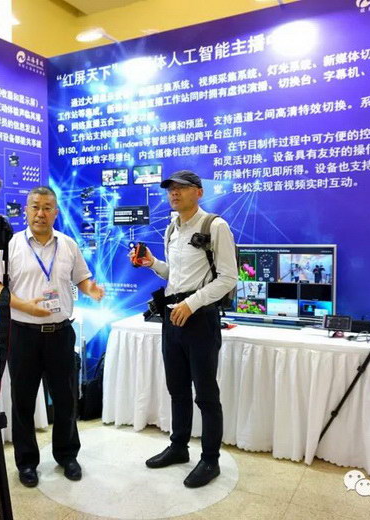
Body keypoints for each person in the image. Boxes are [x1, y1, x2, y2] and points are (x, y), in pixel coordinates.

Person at [0, 186, 105, 488]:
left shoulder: (67, 244)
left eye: (47, 207)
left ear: (56, 212)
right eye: (35, 207)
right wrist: (24, 306)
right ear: (26, 210)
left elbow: (82, 277)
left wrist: (91, 289)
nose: (41, 213)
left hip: (60, 334)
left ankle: (67, 455)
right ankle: (26, 462)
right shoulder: (9, 245)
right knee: (23, 401)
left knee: (66, 399)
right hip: (22, 334)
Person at [130, 170, 237, 488]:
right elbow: (175, 277)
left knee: (206, 394)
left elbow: (228, 278)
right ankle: (178, 447)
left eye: (182, 188)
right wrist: (152, 263)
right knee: (177, 389)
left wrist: (192, 303)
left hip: (200, 318)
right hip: (172, 317)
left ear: (199, 192)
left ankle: (210, 460)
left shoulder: (215, 226)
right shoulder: (171, 228)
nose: (174, 193)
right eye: (170, 189)